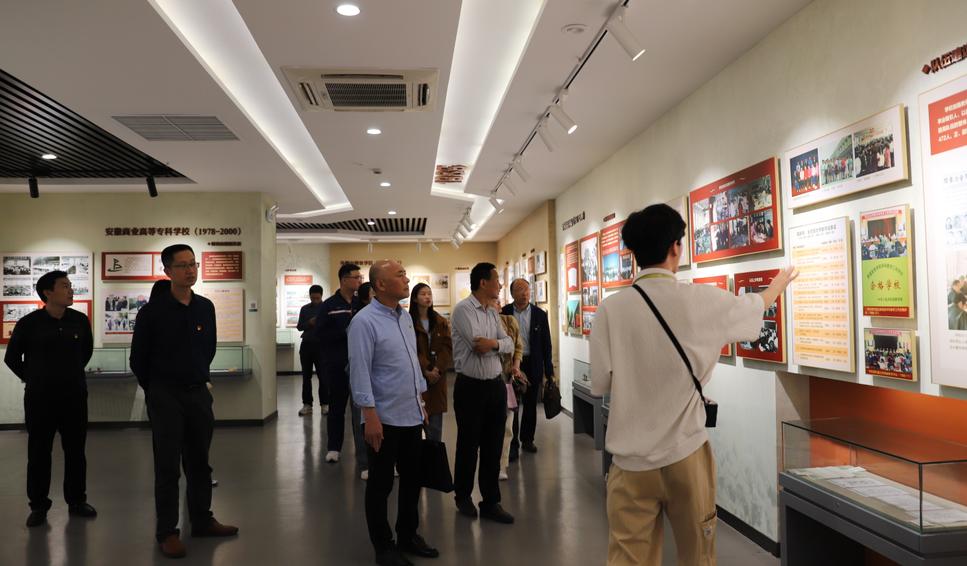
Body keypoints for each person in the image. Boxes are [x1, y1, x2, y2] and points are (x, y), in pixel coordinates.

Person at [590, 204, 797, 566]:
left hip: (630, 462)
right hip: (685, 453)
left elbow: (600, 383)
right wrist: (779, 282)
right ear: (675, 247)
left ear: (634, 252)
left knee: (628, 558)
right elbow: (752, 309)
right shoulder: (700, 299)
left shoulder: (611, 309)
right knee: (698, 555)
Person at [130, 244, 238, 559]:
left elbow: (209, 349)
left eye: (193, 264)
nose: (190, 271)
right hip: (165, 395)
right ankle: (167, 531)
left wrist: (198, 376)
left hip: (198, 393)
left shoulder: (204, 307)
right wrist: (156, 390)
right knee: (167, 466)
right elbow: (139, 359)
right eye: (182, 266)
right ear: (167, 271)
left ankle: (202, 519)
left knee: (200, 461)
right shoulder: (152, 312)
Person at [349, 260, 438, 566]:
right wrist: (369, 415)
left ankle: (408, 535)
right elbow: (359, 371)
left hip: (410, 413)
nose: (407, 279)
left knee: (412, 480)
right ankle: (383, 546)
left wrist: (420, 402)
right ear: (381, 284)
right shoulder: (364, 322)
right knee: (381, 484)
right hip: (383, 418)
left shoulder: (404, 318)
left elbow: (411, 362)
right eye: (400, 275)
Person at [4, 270, 96, 528]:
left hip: (74, 396)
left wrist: (70, 374)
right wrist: (33, 378)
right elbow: (12, 358)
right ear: (47, 292)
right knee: (39, 452)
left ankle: (77, 501)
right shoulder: (29, 323)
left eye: (70, 285)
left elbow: (85, 352)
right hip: (40, 398)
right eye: (64, 286)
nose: (70, 290)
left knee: (76, 451)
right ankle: (38, 505)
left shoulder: (79, 321)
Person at [450, 262, 515, 524]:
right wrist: (496, 345)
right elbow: (478, 345)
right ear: (483, 282)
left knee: (493, 445)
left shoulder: (492, 311)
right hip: (470, 387)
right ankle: (463, 496)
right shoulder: (463, 310)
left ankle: (490, 502)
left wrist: (494, 344)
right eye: (497, 280)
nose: (500, 284)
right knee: (468, 445)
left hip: (495, 386)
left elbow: (509, 343)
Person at [502, 278, 554, 459]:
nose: (524, 293)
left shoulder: (540, 314)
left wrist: (549, 371)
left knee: (531, 404)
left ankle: (527, 439)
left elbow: (547, 345)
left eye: (527, 289)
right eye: (520, 289)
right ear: (512, 293)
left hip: (533, 364)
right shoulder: (504, 313)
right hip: (511, 364)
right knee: (512, 405)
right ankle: (512, 444)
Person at [315, 263, 362, 463]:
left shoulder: (360, 304)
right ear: (344, 280)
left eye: (360, 277)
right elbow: (320, 333)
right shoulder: (329, 305)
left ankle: (363, 451)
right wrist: (345, 333)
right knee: (337, 407)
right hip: (336, 364)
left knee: (361, 410)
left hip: (359, 364)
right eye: (356, 277)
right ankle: (334, 447)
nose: (359, 280)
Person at [409, 282, 453, 443]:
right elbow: (411, 349)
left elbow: (447, 348)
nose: (427, 297)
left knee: (434, 430)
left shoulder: (440, 321)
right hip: (417, 376)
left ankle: (433, 459)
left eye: (429, 294)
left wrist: (437, 370)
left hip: (436, 379)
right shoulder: (408, 322)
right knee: (413, 430)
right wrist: (426, 369)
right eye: (423, 294)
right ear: (415, 298)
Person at [494, 297, 523, 481]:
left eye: (497, 301)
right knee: (490, 426)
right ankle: (490, 462)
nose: (496, 303)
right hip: (487, 380)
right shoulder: (479, 324)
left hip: (506, 380)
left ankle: (501, 464)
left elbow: (518, 346)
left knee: (507, 426)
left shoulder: (509, 321)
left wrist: (516, 366)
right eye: (493, 300)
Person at [353, 281, 375, 480]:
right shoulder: (361, 320)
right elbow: (360, 364)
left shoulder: (401, 317)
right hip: (364, 382)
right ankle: (365, 463)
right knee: (361, 420)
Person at [297, 284, 328, 416]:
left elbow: (330, 326)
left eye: (317, 298)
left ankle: (325, 404)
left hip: (321, 346)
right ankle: (307, 404)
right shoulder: (304, 309)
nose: (315, 300)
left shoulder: (326, 308)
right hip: (307, 346)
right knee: (306, 377)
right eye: (313, 298)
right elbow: (299, 326)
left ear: (321, 296)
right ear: (309, 296)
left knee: (323, 376)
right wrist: (309, 323)